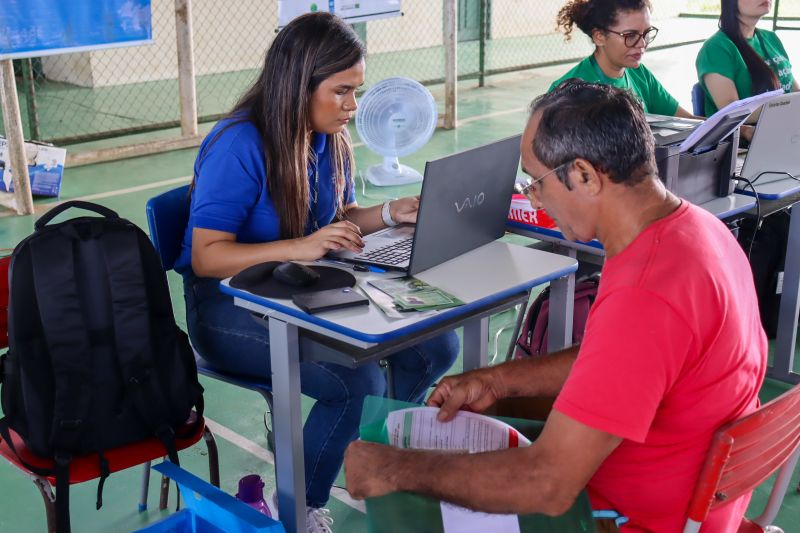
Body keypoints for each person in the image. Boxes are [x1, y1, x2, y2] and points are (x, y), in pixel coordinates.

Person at [344, 80, 767, 532]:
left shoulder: (646, 294)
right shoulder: (697, 231)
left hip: (627, 519)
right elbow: (616, 359)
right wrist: (499, 380)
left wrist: (393, 469)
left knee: (414, 505)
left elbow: (546, 483)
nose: (533, 197)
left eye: (536, 181)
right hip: (698, 500)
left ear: (584, 175)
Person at [173, 12, 459, 532]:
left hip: (302, 289)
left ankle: (365, 455)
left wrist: (391, 214)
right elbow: (207, 256)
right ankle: (299, 504)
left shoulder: (325, 136)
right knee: (354, 378)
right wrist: (301, 247)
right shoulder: (239, 143)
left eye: (357, 90)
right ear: (298, 86)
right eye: (342, 91)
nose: (353, 106)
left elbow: (336, 220)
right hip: (228, 308)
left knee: (438, 346)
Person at [550, 0, 695, 118]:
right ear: (599, 37)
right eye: (630, 35)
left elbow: (688, 122)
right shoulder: (568, 91)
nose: (642, 43)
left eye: (646, 33)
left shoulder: (640, 74)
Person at [696, 0, 798, 120]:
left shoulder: (771, 38)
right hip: (747, 134)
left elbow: (794, 91)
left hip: (788, 125)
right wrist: (788, 109)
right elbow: (732, 113)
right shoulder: (716, 48)